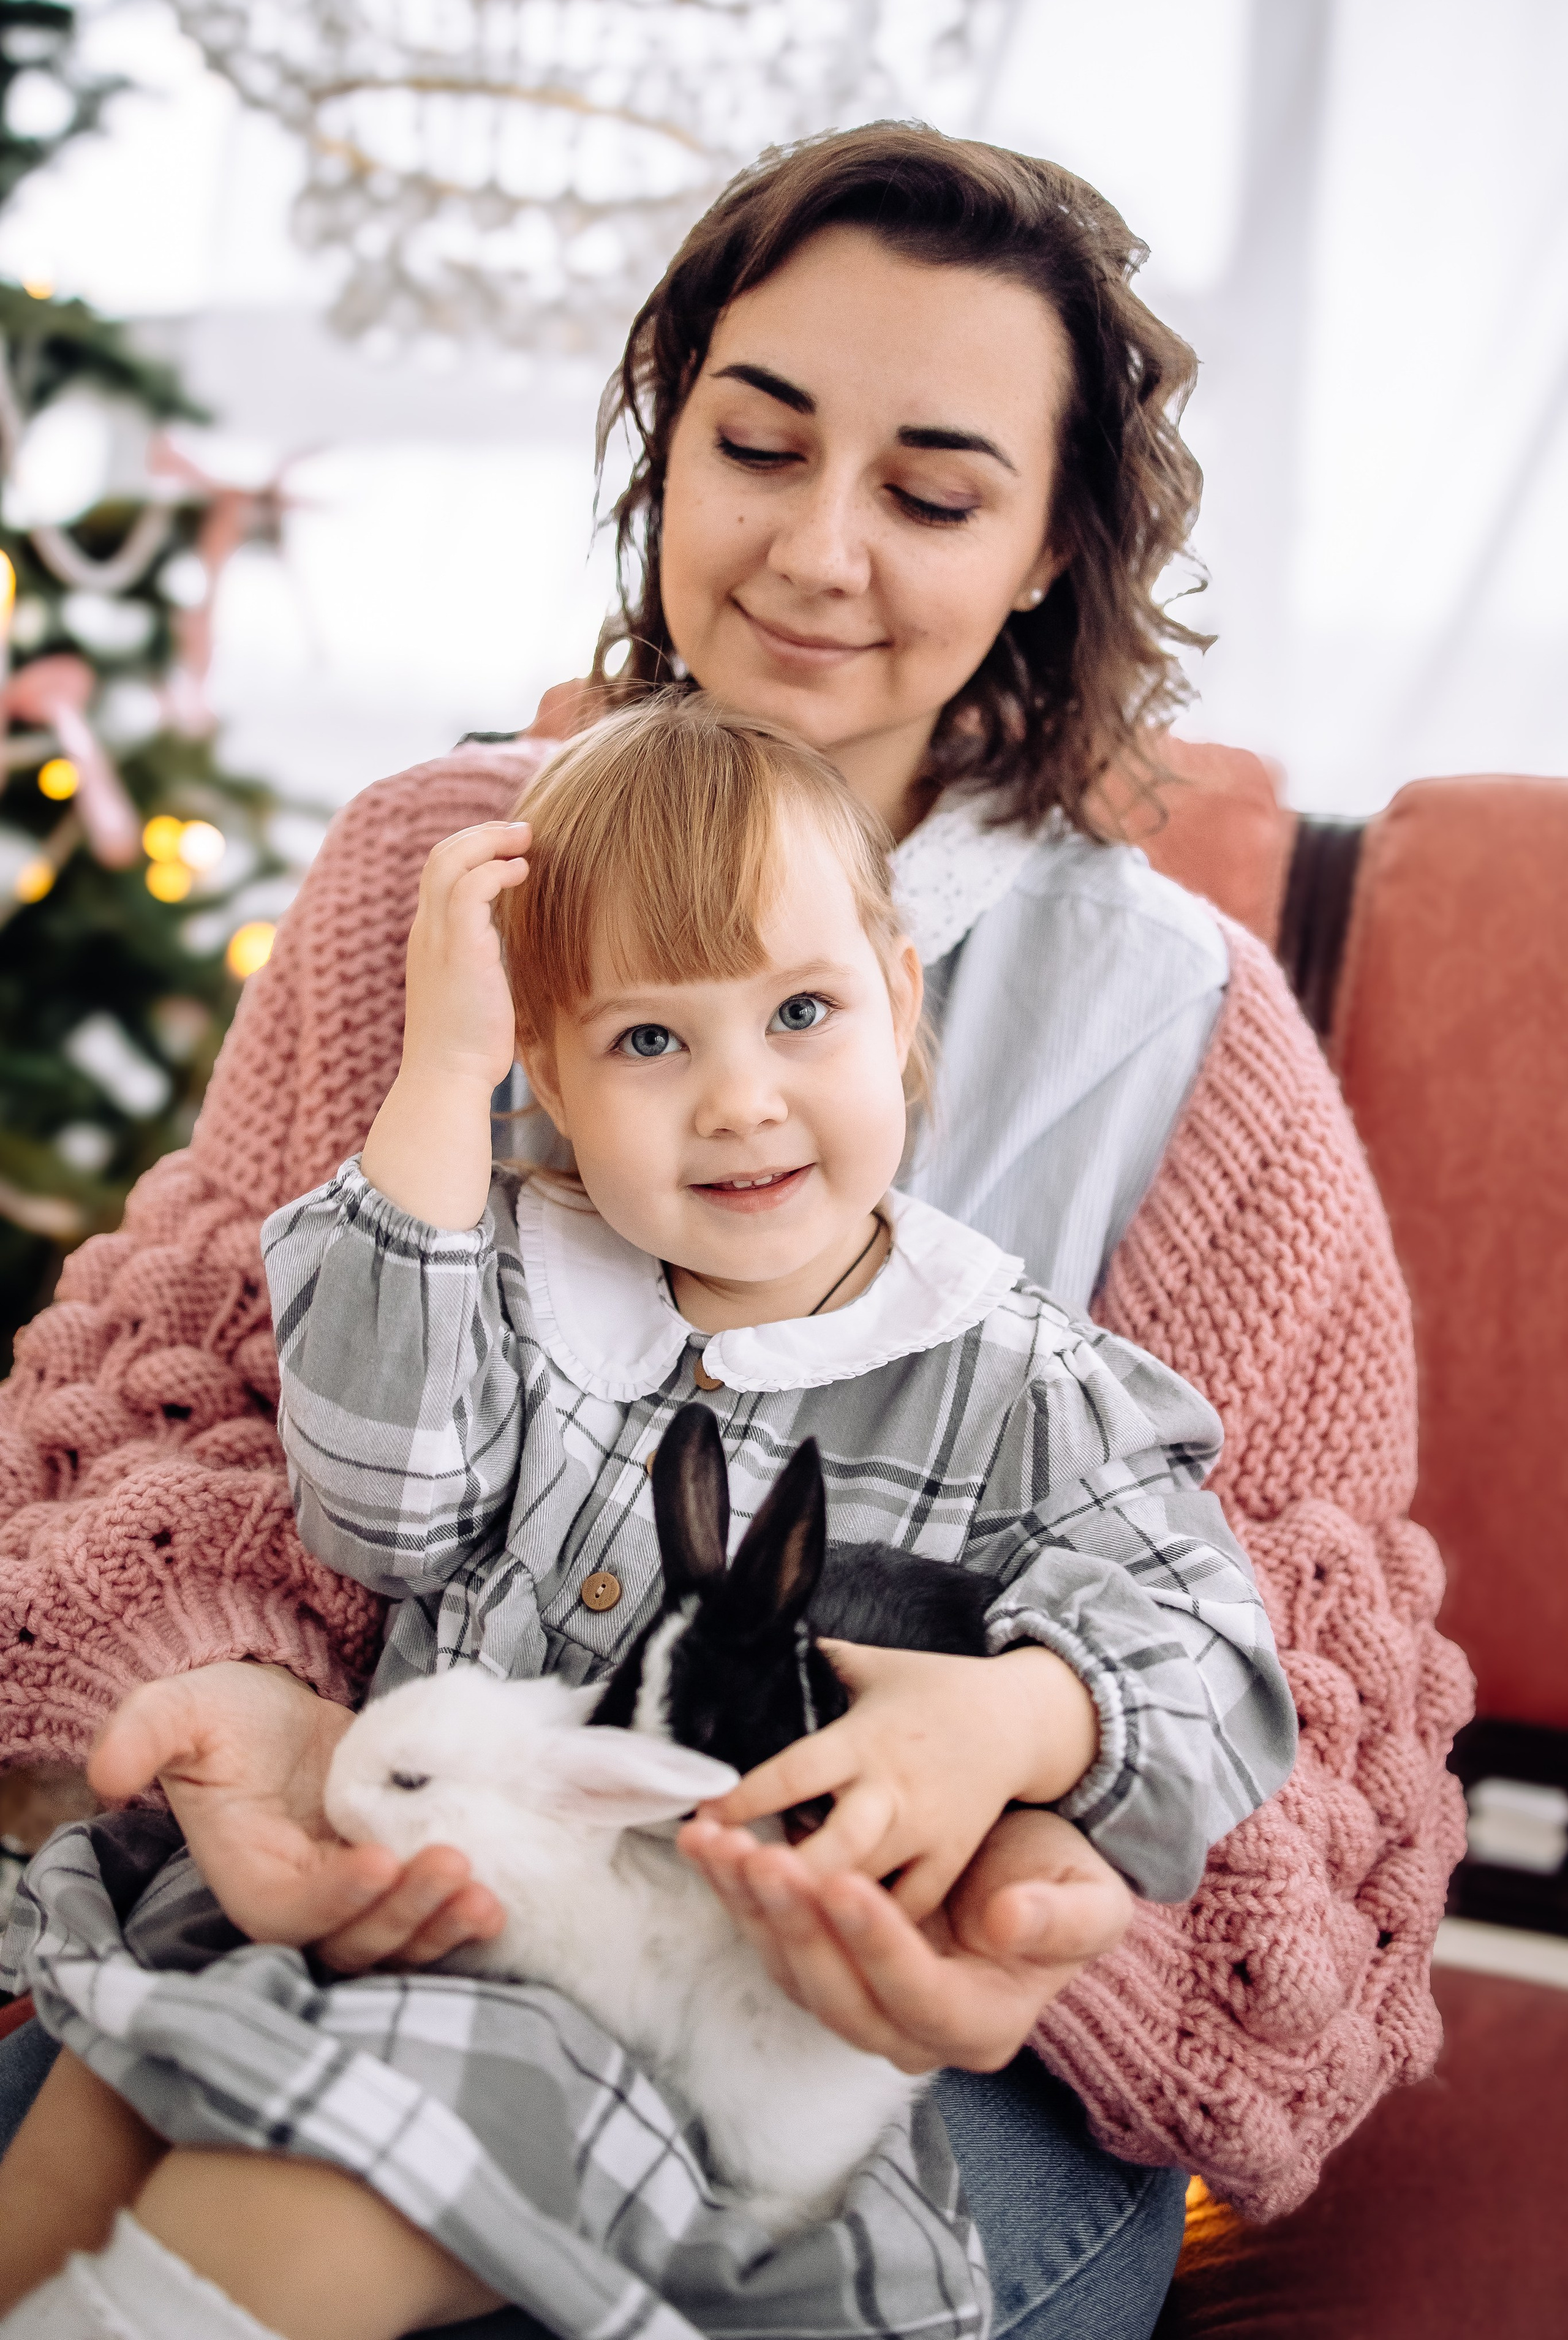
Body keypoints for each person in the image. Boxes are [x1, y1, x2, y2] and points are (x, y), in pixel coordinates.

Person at [0, 119, 1468, 2340]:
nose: (813, 551)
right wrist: (237, 1693)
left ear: (1057, 546)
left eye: (935, 490)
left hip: (886, 2050)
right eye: (756, 445)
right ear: (664, 438)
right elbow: (222, 1400)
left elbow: (1276, 1676)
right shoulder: (449, 872)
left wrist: (1020, 1896)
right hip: (440, 1873)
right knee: (113, 2116)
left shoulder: (1184, 1041)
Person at [0, 698, 1296, 2340]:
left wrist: (1031, 1714)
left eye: (802, 1013)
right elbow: (379, 1507)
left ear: (898, 1000)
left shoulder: (1026, 1384)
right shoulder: (519, 1281)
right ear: (550, 1072)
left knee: (289, 2197)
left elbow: (1214, 1646)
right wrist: (445, 1076)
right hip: (394, 1906)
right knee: (93, 2106)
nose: (741, 1102)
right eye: (649, 1044)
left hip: (658, 2012)